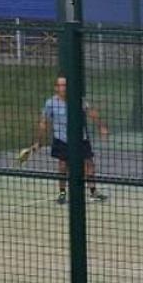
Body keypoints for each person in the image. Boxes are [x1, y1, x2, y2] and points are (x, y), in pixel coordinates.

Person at [32, 76, 110, 205]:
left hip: (80, 138)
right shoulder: (51, 103)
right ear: (56, 88)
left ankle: (93, 192)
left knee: (89, 164)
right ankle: (62, 193)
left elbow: (92, 113)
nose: (64, 88)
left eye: (66, 85)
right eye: (61, 85)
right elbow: (43, 122)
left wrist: (101, 127)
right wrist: (38, 141)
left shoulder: (78, 99)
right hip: (61, 140)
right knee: (63, 166)